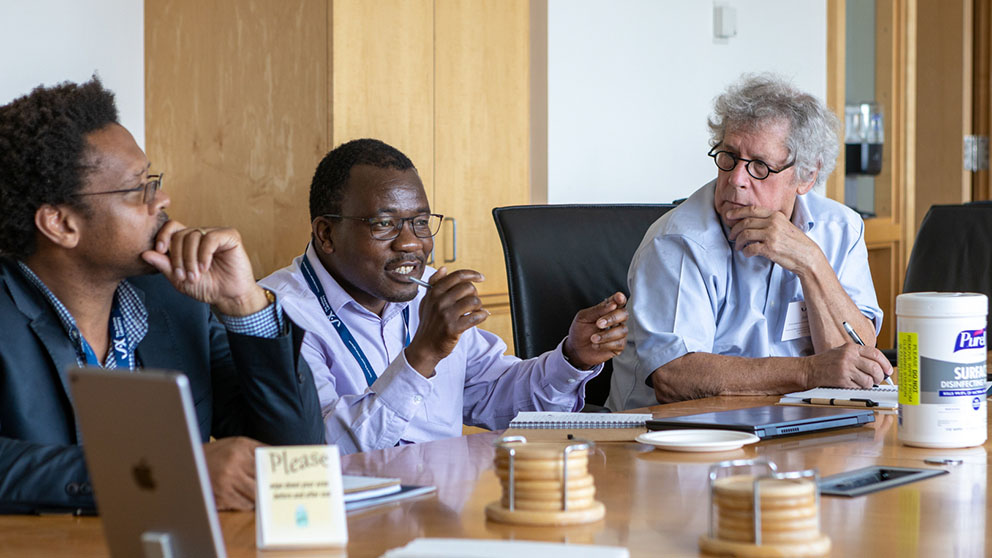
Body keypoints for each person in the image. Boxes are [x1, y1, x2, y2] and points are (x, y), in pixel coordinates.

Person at [0, 78, 323, 514]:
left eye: (153, 180)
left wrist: (242, 303)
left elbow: (295, 460)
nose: (162, 198)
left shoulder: (176, 301)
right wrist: (167, 471)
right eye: (139, 188)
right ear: (60, 223)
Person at [261, 138, 629, 453]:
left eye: (420, 222)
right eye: (384, 224)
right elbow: (318, 453)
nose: (411, 243)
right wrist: (423, 354)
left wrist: (573, 357)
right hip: (351, 518)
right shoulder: (275, 315)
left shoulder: (428, 297)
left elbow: (501, 395)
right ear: (325, 234)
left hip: (442, 508)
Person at [606, 74, 892, 410]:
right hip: (676, 438)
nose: (736, 180)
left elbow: (853, 360)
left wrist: (811, 264)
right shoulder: (679, 242)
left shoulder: (840, 228)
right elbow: (674, 376)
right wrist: (807, 372)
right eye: (728, 156)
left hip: (794, 430)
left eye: (759, 166)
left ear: (806, 176)